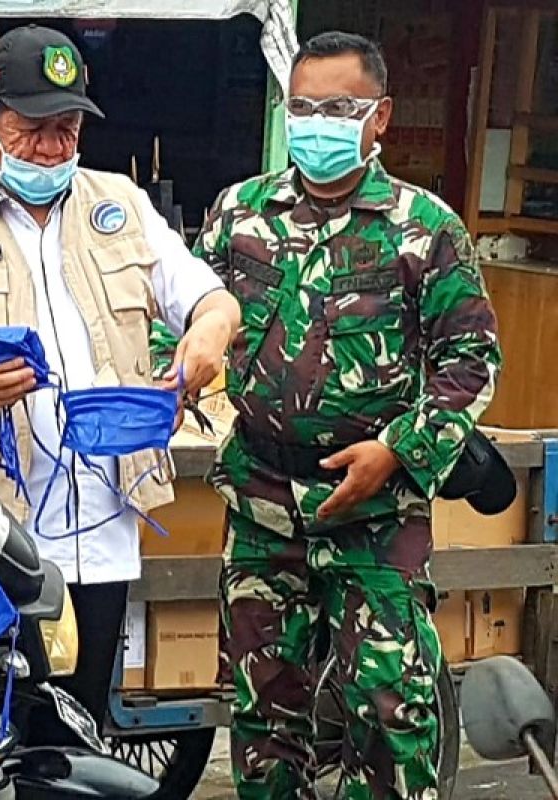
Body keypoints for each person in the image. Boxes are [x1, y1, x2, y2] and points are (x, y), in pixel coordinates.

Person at [0, 24, 240, 734]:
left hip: (100, 538)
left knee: (78, 730)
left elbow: (212, 300)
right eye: (32, 130)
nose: (51, 150)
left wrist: (208, 334)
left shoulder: (120, 206)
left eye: (67, 130)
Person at [193, 32, 502, 799]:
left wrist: (396, 452)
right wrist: (178, 366)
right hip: (264, 503)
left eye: (339, 107)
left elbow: (472, 362)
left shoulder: (423, 229)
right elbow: (190, 320)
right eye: (303, 108)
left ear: (380, 117)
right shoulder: (240, 214)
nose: (317, 123)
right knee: (265, 718)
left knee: (391, 713)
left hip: (378, 514)